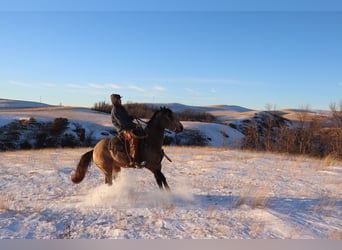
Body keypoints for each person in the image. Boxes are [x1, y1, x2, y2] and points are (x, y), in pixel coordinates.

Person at [110, 94, 146, 168]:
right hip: (122, 129)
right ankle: (135, 161)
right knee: (134, 138)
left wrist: (131, 117)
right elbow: (122, 123)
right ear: (115, 101)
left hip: (128, 127)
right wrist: (135, 125)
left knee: (142, 133)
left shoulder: (121, 108)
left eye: (120, 99)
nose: (120, 100)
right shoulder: (115, 110)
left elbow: (126, 118)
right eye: (119, 99)